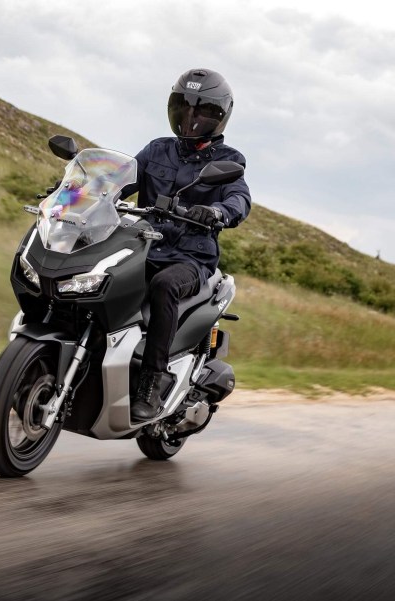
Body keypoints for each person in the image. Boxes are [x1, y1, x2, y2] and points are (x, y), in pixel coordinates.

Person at [120, 68, 252, 421]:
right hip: (144, 245)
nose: (191, 118)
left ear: (219, 117)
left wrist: (216, 211)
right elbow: (121, 179)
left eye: (203, 111)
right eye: (185, 107)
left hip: (191, 258)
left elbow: (239, 200)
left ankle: (151, 381)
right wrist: (82, 190)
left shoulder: (229, 161)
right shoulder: (157, 150)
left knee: (164, 287)